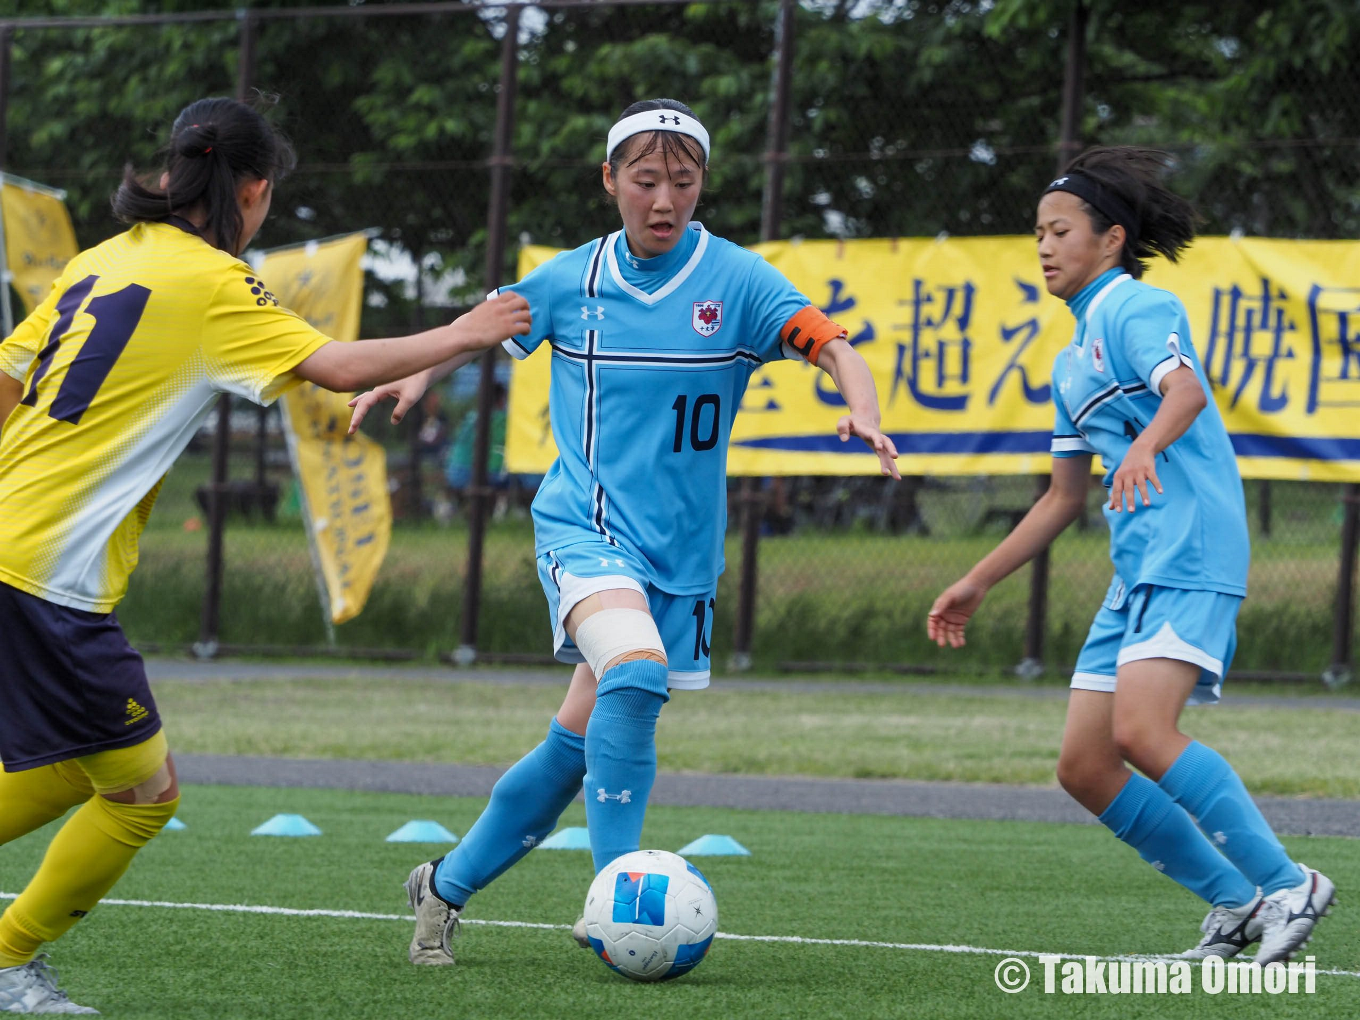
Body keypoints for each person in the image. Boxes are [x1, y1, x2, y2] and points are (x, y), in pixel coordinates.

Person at [0, 96, 530, 1014]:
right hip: (52, 572)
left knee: (100, 768)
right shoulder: (213, 284)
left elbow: (7, 384)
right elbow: (334, 367)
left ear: (170, 177)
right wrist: (466, 332)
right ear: (253, 189)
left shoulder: (101, 259)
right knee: (145, 792)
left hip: (14, 544)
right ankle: (9, 961)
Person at [348, 98, 899, 966]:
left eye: (681, 181)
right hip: (585, 531)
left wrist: (861, 409)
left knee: (577, 748)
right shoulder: (574, 279)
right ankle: (618, 901)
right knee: (635, 678)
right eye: (644, 181)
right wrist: (416, 377)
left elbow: (834, 346)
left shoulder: (741, 284)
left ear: (701, 185)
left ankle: (442, 887)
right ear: (610, 181)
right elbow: (477, 329)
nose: (663, 199)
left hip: (681, 562)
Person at [927, 146, 1335, 965]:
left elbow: (1185, 390)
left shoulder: (1131, 307)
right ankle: (1235, 901)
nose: (1043, 246)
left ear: (1110, 240)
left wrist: (1147, 445)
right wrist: (975, 580)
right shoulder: (1071, 363)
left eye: (1059, 231)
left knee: (1145, 731)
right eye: (1036, 233)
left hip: (1193, 548)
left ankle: (1291, 883)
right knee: (1084, 764)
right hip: (1138, 571)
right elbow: (1062, 499)